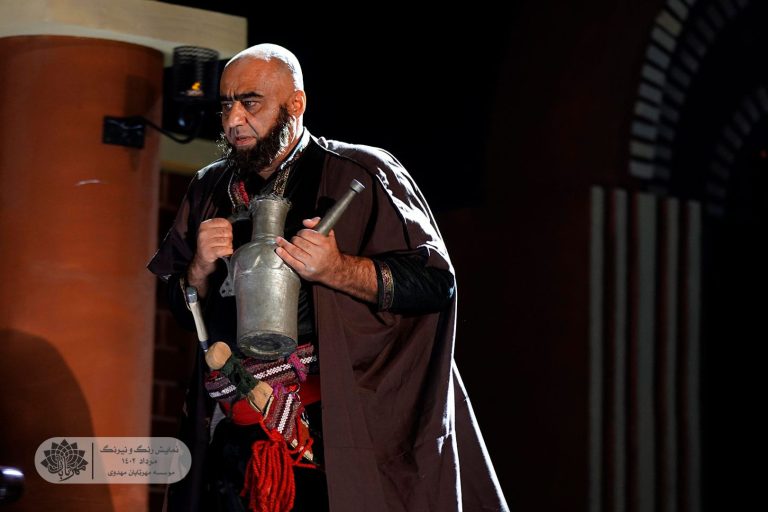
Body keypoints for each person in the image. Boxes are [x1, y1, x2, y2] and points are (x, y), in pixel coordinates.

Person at [148, 43, 508, 512]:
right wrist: (198, 269)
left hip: (333, 434)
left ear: (295, 103)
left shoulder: (363, 171)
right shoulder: (208, 188)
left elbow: (436, 284)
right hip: (231, 436)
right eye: (226, 105)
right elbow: (182, 312)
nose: (233, 120)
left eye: (250, 103)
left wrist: (338, 269)